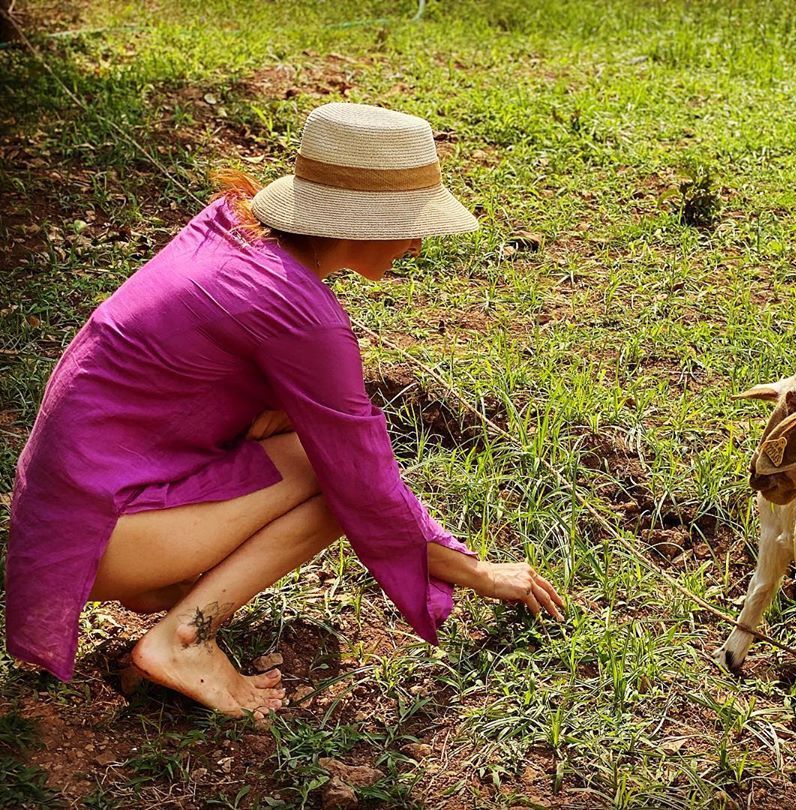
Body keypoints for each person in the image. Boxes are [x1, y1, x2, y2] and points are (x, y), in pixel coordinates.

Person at [6, 102, 564, 719]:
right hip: (98, 534)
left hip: (62, 513)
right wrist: (480, 572)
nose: (416, 241)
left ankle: (167, 589)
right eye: (408, 222)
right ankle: (182, 637)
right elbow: (365, 483)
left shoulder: (233, 233)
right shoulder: (298, 312)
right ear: (360, 222)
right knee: (333, 481)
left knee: (304, 436)